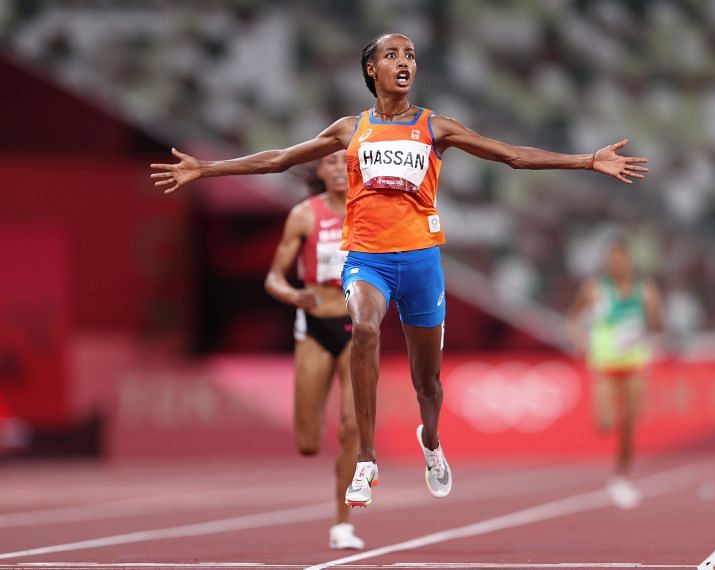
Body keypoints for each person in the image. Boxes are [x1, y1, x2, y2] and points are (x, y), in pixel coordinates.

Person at [151, 33, 649, 509]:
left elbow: (513, 157)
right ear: (372, 69)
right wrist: (207, 168)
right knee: (364, 328)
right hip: (367, 260)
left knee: (426, 383)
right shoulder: (351, 129)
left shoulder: (436, 127)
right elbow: (281, 158)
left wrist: (587, 161)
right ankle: (366, 460)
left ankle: (430, 441)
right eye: (392, 54)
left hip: (422, 263)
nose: (404, 61)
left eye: (409, 54)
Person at [263, 150, 363, 548]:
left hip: (358, 325)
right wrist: (291, 294)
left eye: (346, 162)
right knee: (307, 442)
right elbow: (273, 277)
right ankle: (312, 437)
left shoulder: (369, 211)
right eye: (331, 162)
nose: (339, 168)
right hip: (315, 323)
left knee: (353, 426)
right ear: (318, 171)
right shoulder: (305, 214)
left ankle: (342, 524)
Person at [568, 234, 663, 509]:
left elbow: (658, 325)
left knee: (630, 423)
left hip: (634, 362)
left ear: (629, 262)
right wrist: (579, 342)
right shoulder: (595, 288)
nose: (616, 265)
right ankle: (619, 466)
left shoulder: (645, 289)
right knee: (606, 422)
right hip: (605, 363)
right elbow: (574, 318)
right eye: (612, 260)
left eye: (621, 260)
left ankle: (620, 477)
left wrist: (654, 319)